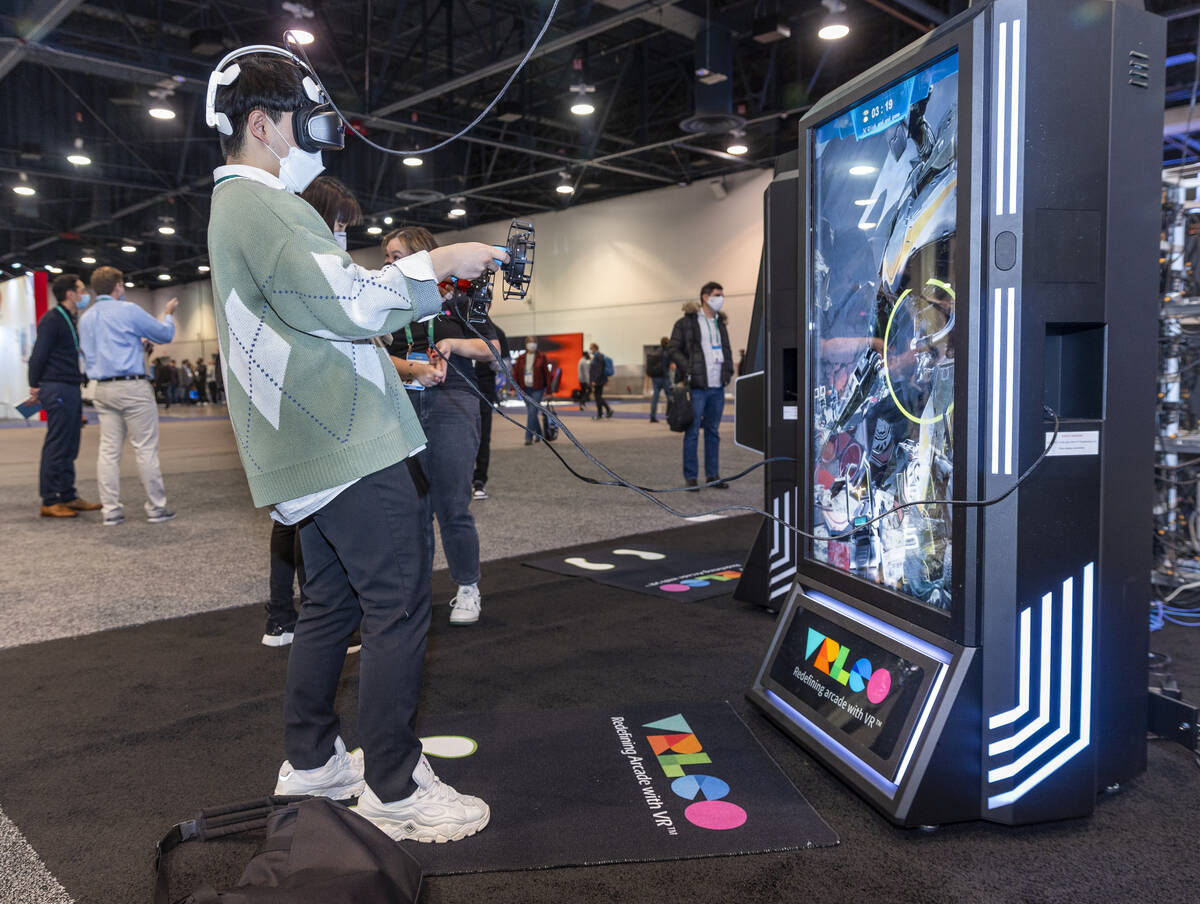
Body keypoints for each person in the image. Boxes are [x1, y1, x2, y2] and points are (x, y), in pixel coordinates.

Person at [206, 50, 500, 843]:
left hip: (311, 446)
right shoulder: (261, 205)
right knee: (398, 604)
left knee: (329, 605)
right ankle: (396, 788)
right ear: (262, 126)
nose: (319, 143)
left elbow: (316, 310)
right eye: (306, 125)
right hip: (342, 443)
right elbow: (337, 301)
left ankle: (314, 761)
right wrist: (441, 263)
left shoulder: (245, 207)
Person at [382, 225, 498, 625]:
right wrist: (411, 367)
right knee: (410, 509)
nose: (389, 264)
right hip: (403, 405)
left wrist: (454, 345)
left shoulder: (462, 298)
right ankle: (414, 592)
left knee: (452, 504)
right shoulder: (390, 302)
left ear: (419, 255)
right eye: (387, 257)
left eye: (396, 256)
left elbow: (493, 351)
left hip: (453, 404)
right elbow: (376, 357)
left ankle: (468, 586)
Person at [78, 267, 178, 524]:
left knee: (109, 451)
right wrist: (167, 315)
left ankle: (110, 510)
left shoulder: (86, 318)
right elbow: (165, 334)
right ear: (118, 286)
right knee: (145, 448)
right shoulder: (128, 310)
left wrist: (137, 345)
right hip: (132, 387)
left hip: (101, 387)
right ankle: (156, 508)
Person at [26, 273, 102, 518]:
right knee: (57, 445)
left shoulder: (69, 317)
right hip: (56, 387)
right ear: (70, 294)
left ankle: (68, 496)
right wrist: (34, 384)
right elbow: (39, 354)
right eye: (81, 290)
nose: (84, 294)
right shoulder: (53, 319)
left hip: (69, 387)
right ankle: (50, 500)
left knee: (70, 445)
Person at [668, 281, 733, 490]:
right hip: (696, 387)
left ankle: (713, 475)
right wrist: (688, 369)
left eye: (722, 295)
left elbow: (727, 350)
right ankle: (691, 477)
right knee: (693, 431)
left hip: (717, 387)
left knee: (713, 431)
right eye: (717, 295)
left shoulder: (720, 323)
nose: (720, 298)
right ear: (705, 297)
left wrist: (728, 371)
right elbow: (673, 349)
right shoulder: (686, 323)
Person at [472, 320, 509, 500]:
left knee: (483, 436)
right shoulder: (455, 323)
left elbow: (504, 367)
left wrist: (487, 354)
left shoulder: (496, 332)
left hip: (484, 390)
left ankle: (479, 480)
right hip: (455, 389)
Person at [511, 337, 554, 444]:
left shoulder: (541, 357)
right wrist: (513, 388)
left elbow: (547, 375)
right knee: (532, 413)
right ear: (526, 344)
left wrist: (549, 391)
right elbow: (515, 374)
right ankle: (539, 435)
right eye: (530, 342)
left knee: (532, 412)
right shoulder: (520, 358)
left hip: (538, 389)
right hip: (525, 389)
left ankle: (528, 438)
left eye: (534, 342)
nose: (532, 344)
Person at [646, 336, 671, 424]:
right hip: (664, 378)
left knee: (655, 398)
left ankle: (652, 416)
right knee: (670, 397)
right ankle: (669, 416)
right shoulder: (667, 353)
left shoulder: (656, 351)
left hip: (655, 378)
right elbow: (668, 366)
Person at [588, 342, 613, 419]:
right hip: (599, 380)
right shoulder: (597, 356)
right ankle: (603, 412)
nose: (590, 350)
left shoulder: (598, 357)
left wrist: (595, 380)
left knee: (597, 396)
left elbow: (599, 370)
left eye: (591, 348)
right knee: (598, 396)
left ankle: (604, 411)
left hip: (598, 380)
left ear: (595, 348)